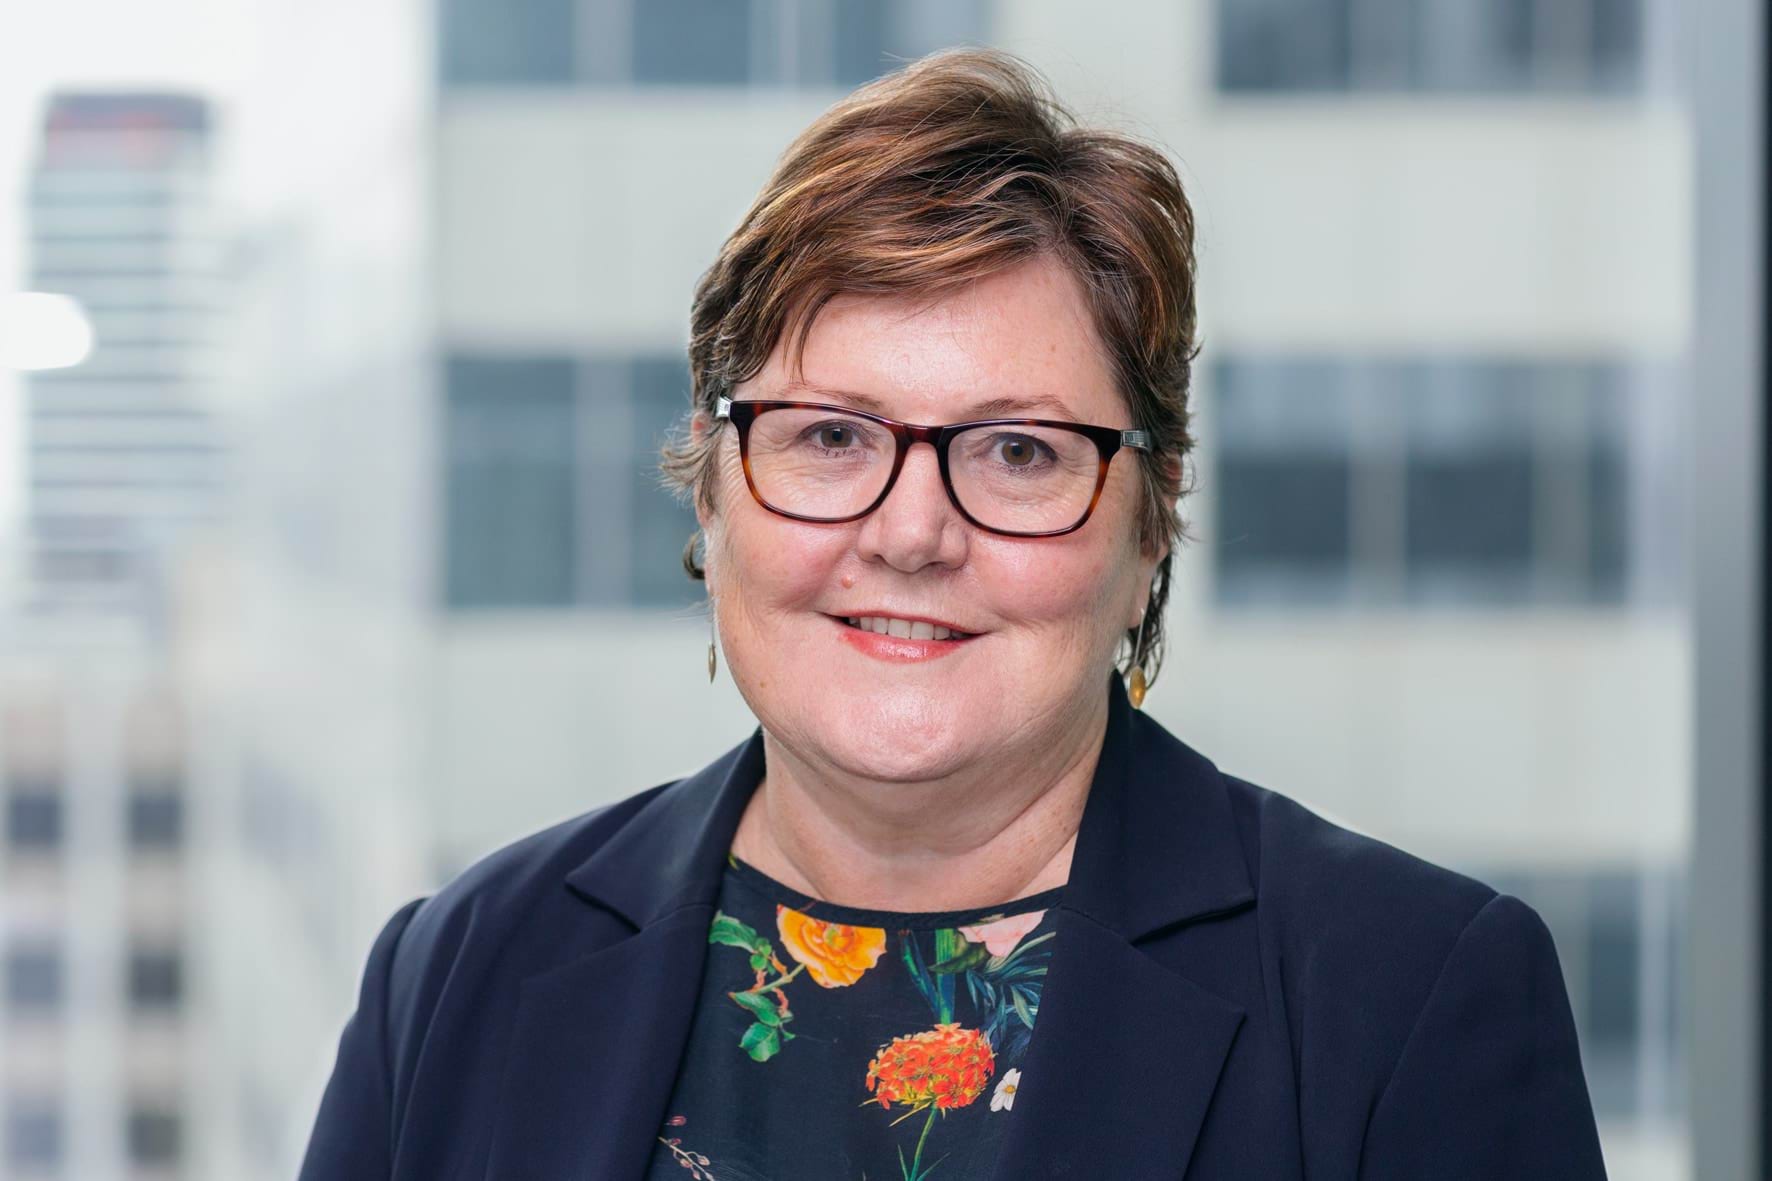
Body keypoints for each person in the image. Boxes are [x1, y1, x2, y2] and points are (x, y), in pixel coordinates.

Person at [298, 48, 1608, 1180]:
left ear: (1150, 525)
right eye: (828, 435)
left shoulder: (1412, 997)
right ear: (714, 488)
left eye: (1018, 452)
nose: (911, 531)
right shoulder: (459, 972)